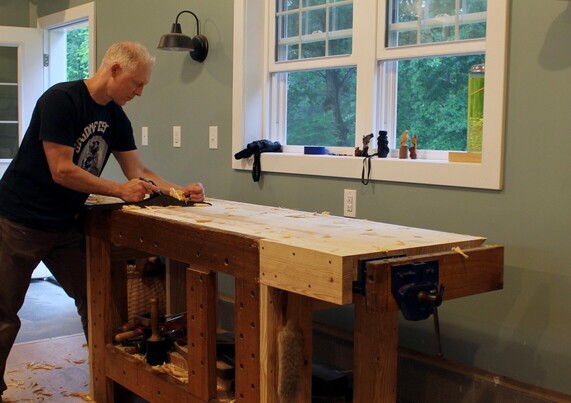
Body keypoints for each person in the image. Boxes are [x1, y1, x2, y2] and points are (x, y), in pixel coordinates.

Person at [0, 41, 205, 399]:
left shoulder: (115, 116)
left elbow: (138, 170)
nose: (139, 92)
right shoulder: (61, 100)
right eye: (136, 83)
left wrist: (179, 192)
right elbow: (62, 170)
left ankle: (112, 382)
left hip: (65, 224)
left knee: (97, 299)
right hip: (20, 220)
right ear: (114, 70)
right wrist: (119, 190)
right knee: (3, 312)